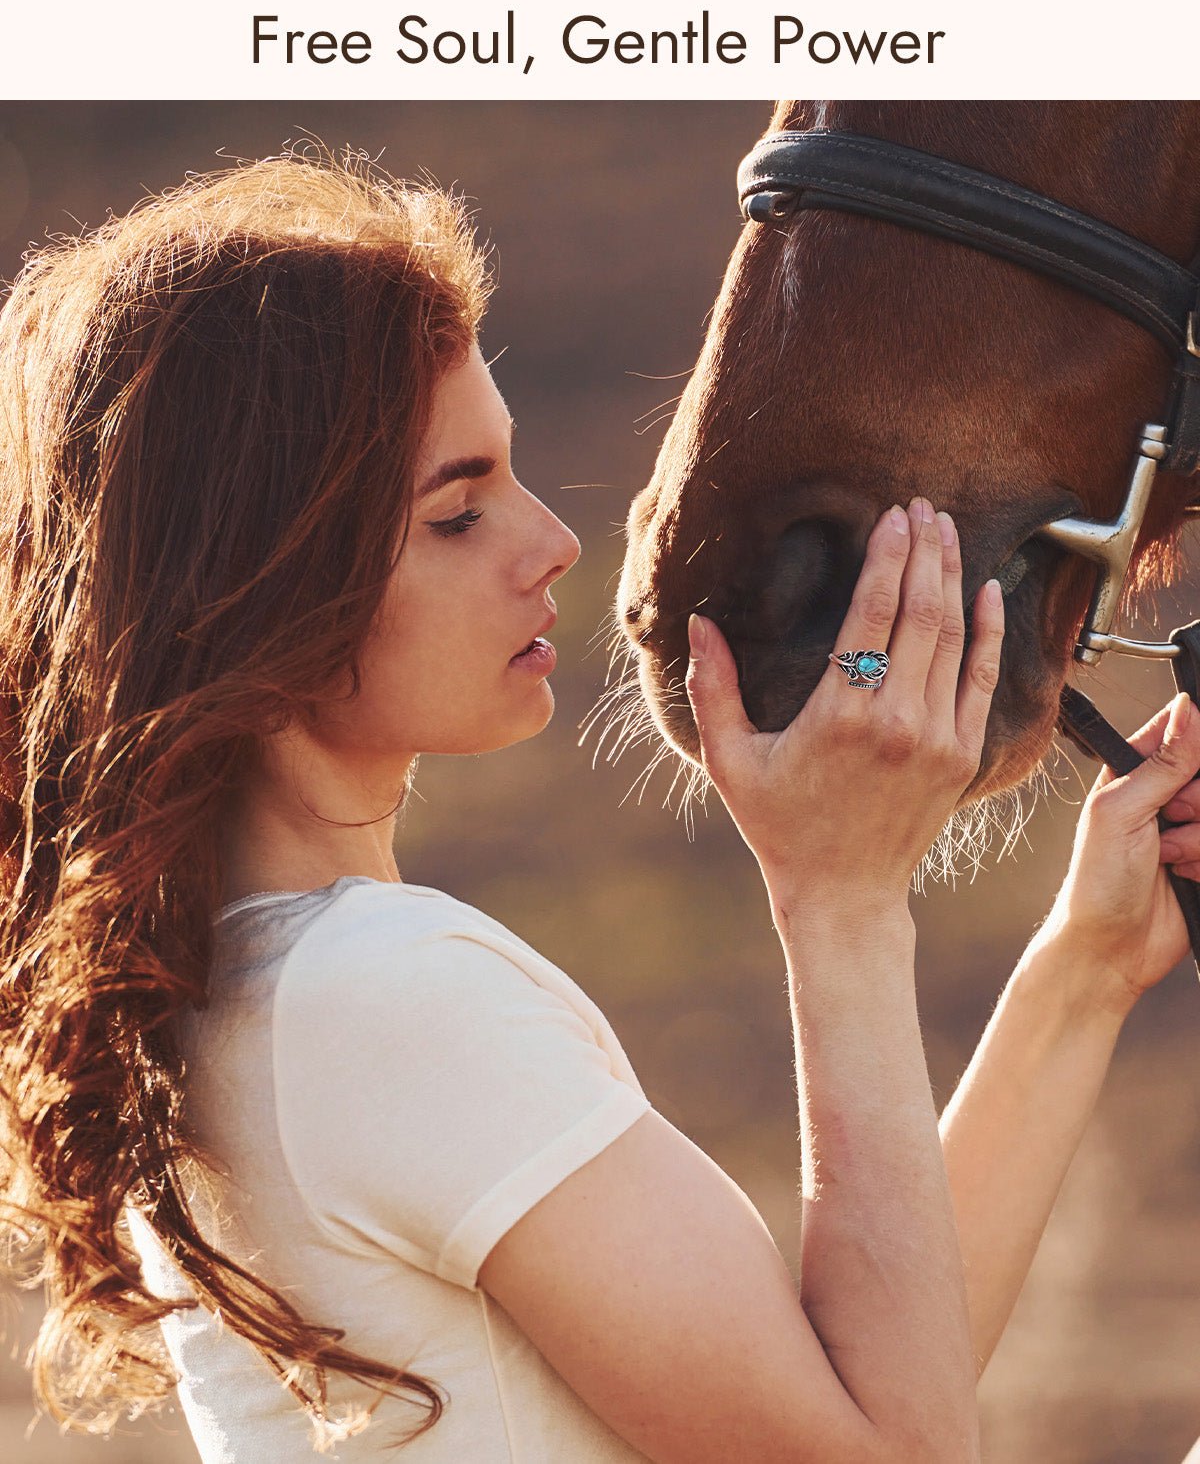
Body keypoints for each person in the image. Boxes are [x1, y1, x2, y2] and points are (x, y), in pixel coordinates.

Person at [1, 151, 1199, 1464]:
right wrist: (839, 895)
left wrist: (1083, 970)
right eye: (459, 514)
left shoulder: (255, 990)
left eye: (511, 475)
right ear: (262, 583)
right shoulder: (380, 992)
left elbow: (854, 1379)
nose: (555, 543)